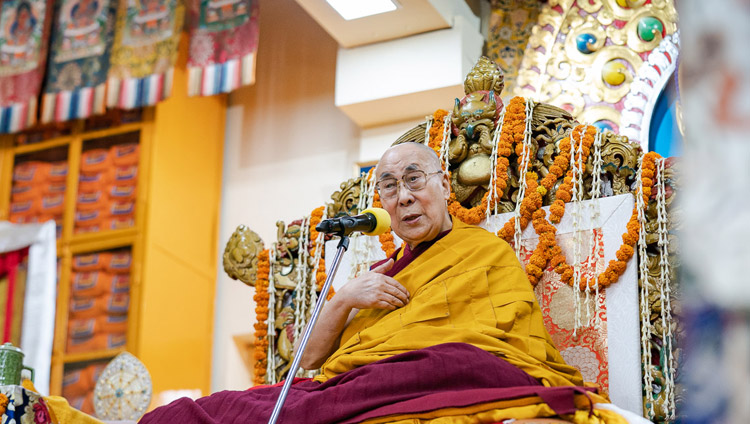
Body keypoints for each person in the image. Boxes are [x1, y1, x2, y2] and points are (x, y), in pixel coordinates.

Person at [140, 142, 623, 423]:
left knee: (454, 359)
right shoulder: (373, 278)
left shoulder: (485, 251)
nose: (404, 197)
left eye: (415, 179)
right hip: (356, 386)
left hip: (443, 371)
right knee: (199, 413)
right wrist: (345, 298)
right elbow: (308, 362)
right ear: (381, 205)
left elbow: (499, 346)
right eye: (389, 186)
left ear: (444, 187)